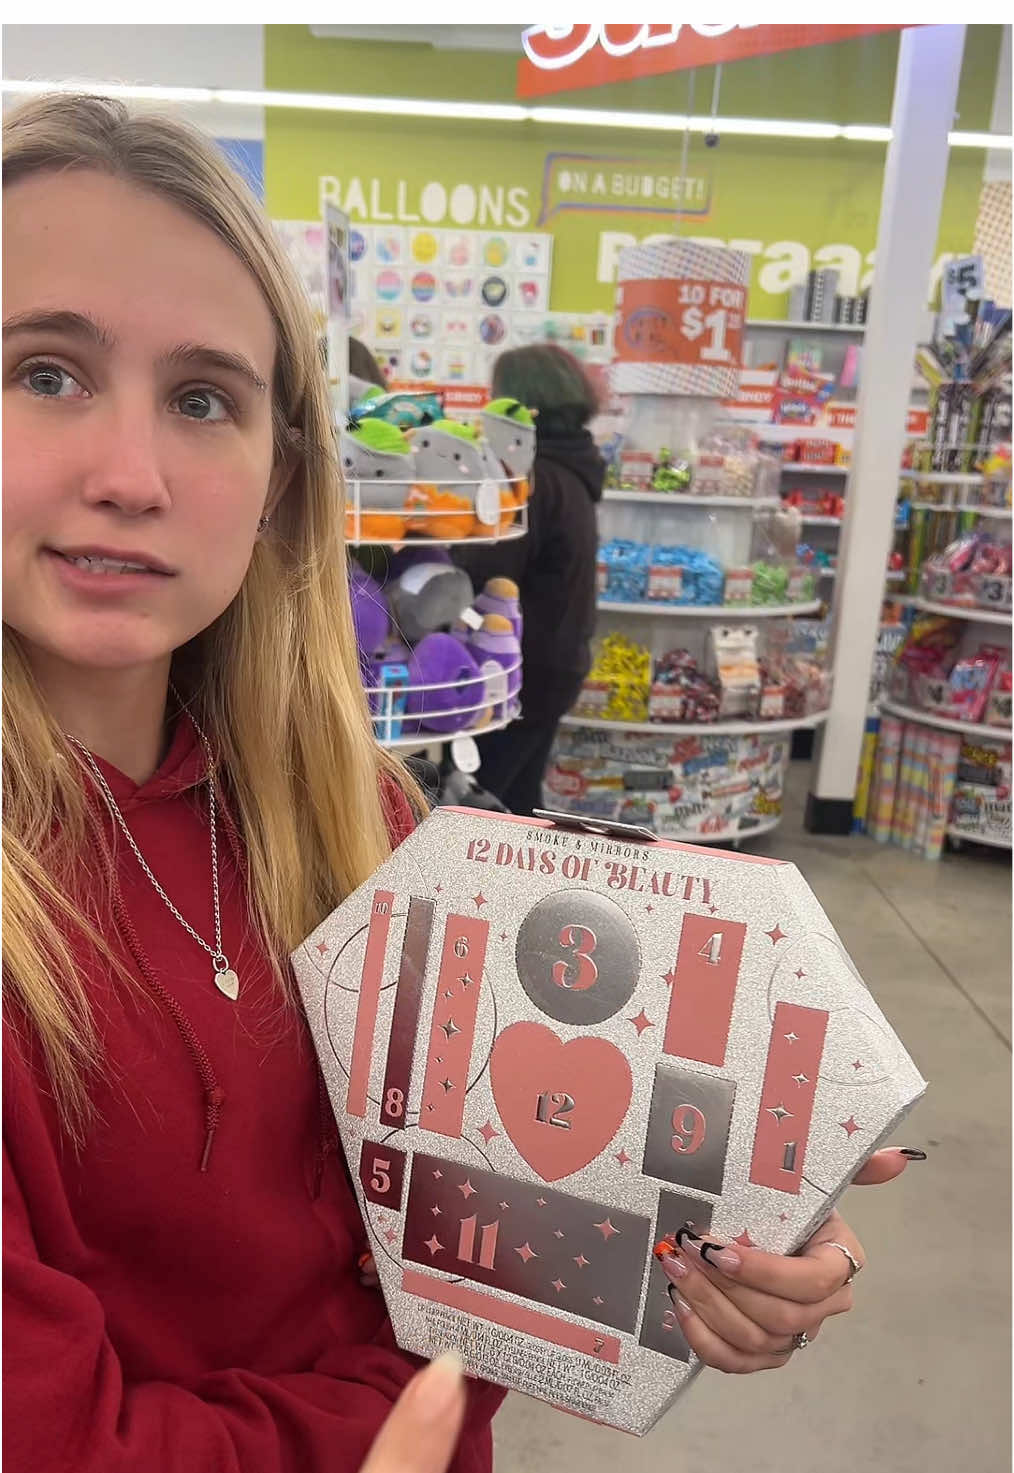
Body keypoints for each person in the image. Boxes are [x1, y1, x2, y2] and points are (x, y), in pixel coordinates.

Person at [3, 93, 921, 1473]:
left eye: (204, 399)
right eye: (45, 373)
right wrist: (400, 1403)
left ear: (279, 474)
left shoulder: (358, 818)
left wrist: (709, 1234)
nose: (129, 474)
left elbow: (493, 1203)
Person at [453, 344, 604, 816]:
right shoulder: (573, 468)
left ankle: (486, 890)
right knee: (518, 802)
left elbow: (489, 576)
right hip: (555, 662)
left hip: (521, 671)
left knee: (477, 811)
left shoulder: (532, 479)